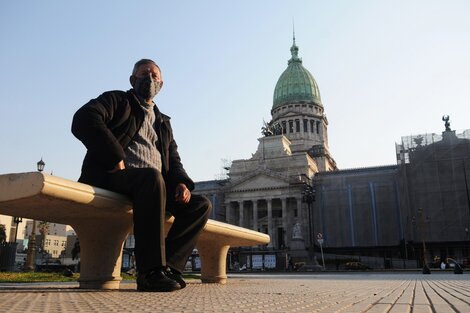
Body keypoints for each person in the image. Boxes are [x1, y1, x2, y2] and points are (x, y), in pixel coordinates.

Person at [72, 59, 212, 292]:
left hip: (151, 187)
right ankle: (149, 272)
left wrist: (181, 183)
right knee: (152, 178)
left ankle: (170, 268)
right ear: (132, 79)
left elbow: (174, 160)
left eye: (155, 75)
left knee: (200, 205)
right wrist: (114, 155)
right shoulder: (118, 100)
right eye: (144, 73)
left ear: (162, 84)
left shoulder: (163, 122)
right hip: (113, 177)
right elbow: (83, 119)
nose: (150, 78)